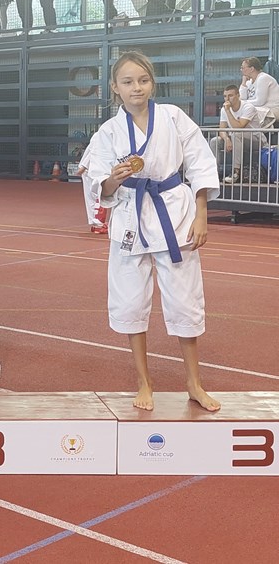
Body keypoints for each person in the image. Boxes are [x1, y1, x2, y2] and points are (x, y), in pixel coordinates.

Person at [84, 51, 220, 413]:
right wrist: (113, 180)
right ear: (115, 87)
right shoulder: (108, 132)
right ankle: (144, 381)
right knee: (131, 301)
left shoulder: (173, 117)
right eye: (128, 82)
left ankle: (194, 382)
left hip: (174, 213)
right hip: (131, 216)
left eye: (143, 80)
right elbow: (99, 183)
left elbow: (201, 163)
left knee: (185, 300)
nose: (137, 88)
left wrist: (202, 215)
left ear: (152, 83)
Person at [210, 84, 266, 184]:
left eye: (230, 95)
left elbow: (239, 127)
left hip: (256, 140)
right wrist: (227, 139)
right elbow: (222, 129)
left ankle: (236, 173)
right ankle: (214, 173)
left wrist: (228, 111)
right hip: (236, 138)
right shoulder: (224, 109)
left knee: (237, 134)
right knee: (215, 141)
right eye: (225, 96)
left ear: (238, 95)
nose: (227, 99)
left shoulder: (248, 107)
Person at [239, 57, 279, 129]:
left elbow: (260, 102)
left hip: (271, 110)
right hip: (260, 109)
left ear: (251, 69)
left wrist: (242, 104)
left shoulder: (263, 78)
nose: (241, 70)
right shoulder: (249, 82)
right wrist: (243, 83)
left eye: (243, 68)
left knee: (247, 112)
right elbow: (242, 98)